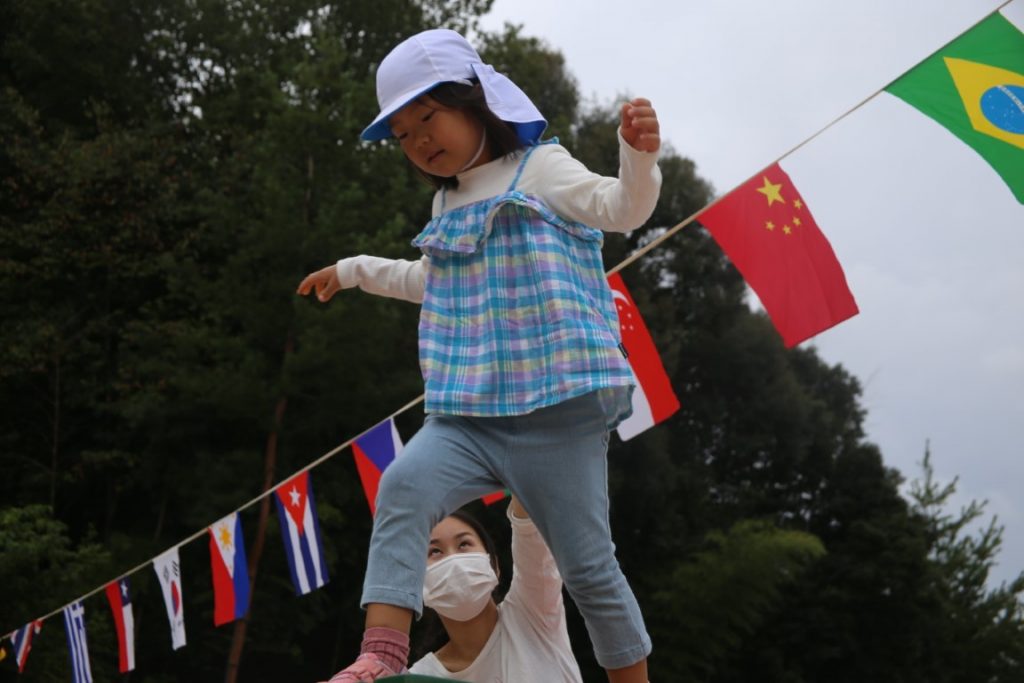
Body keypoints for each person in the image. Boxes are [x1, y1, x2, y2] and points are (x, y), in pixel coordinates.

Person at [298, 28, 661, 683]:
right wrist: (353, 270)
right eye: (403, 135)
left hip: (558, 413)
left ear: (477, 102)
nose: (418, 141)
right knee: (402, 486)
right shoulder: (447, 203)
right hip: (471, 414)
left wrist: (637, 158)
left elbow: (621, 209)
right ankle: (382, 653)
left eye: (428, 118)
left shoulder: (540, 169)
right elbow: (429, 280)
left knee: (589, 568)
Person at [408, 498, 583, 681]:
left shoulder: (533, 612)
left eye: (464, 544)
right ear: (416, 585)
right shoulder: (420, 678)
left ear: (494, 566)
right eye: (434, 551)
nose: (453, 561)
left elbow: (529, 520)